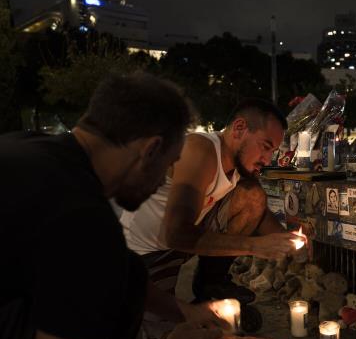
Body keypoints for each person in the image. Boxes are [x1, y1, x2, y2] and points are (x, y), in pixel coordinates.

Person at [0, 73, 223, 339]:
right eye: (170, 164)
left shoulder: (27, 148)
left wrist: (184, 310)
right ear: (151, 150)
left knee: (126, 270)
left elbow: (112, 269)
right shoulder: (83, 222)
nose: (164, 179)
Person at [120, 98, 302, 304]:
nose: (268, 160)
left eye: (272, 152)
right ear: (239, 128)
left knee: (252, 193)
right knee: (171, 331)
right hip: (146, 254)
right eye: (265, 146)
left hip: (182, 243)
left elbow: (257, 211)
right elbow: (176, 234)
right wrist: (254, 246)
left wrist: (288, 239)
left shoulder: (238, 164)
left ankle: (211, 283)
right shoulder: (199, 150)